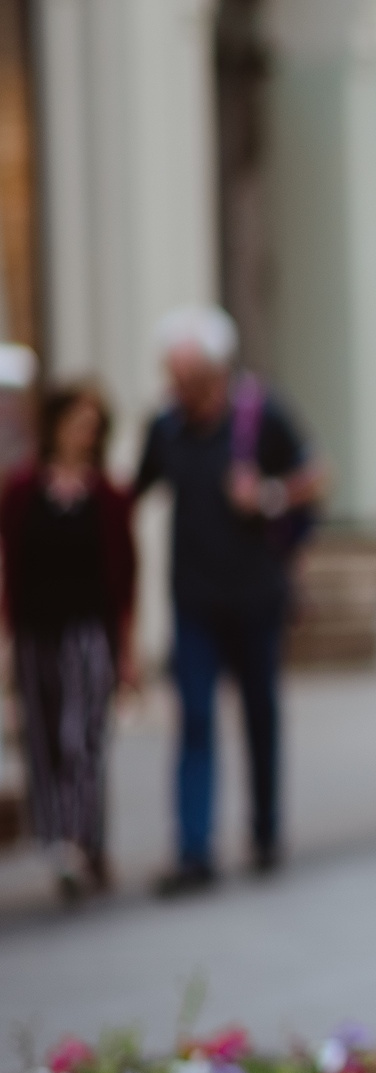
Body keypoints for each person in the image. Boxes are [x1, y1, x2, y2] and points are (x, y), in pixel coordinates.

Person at [133, 306, 327, 895]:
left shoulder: (261, 414)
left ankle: (265, 830)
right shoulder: (165, 427)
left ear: (215, 373)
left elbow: (317, 476)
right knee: (192, 718)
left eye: (187, 378)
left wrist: (268, 494)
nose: (176, 389)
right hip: (192, 597)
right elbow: (133, 490)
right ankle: (194, 850)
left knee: (258, 712)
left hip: (256, 594)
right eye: (172, 377)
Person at [1, 383, 137, 902]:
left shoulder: (107, 496)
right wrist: (6, 640)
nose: (86, 433)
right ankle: (61, 841)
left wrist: (126, 650)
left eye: (94, 426)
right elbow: (10, 567)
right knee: (42, 739)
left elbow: (124, 578)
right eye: (78, 422)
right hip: (36, 632)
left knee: (80, 737)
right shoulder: (21, 492)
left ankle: (83, 841)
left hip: (87, 632)